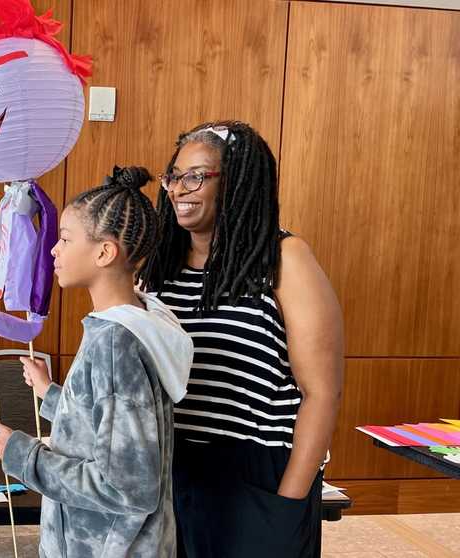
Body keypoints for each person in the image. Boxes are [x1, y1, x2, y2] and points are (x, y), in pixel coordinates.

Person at [140, 121, 344, 557]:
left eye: (196, 175)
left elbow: (321, 393)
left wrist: (287, 504)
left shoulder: (284, 258)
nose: (178, 189)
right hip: (169, 470)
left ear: (236, 182)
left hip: (257, 473)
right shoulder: (158, 266)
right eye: (174, 176)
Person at [0, 167, 193, 557]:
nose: (54, 250)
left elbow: (126, 487)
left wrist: (22, 455)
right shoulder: (139, 320)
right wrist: (50, 393)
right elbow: (110, 423)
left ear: (104, 252)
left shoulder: (115, 342)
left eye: (65, 239)